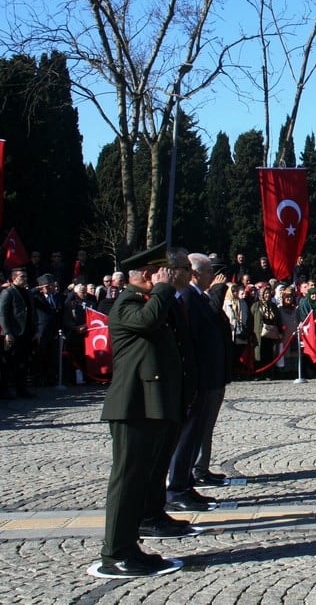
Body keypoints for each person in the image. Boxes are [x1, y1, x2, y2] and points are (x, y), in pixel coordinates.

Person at [95, 245, 194, 579]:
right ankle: (115, 552)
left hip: (147, 405)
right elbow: (148, 323)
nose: (164, 277)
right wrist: (164, 289)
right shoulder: (126, 303)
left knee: (140, 479)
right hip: (132, 405)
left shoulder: (149, 302)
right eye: (159, 272)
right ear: (147, 275)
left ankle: (129, 545)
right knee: (126, 480)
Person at [166, 253, 232, 513]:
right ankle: (177, 488)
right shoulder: (188, 298)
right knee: (187, 435)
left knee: (196, 433)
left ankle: (187, 482)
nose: (212, 278)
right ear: (195, 274)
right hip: (199, 378)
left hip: (209, 376)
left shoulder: (198, 297)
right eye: (208, 273)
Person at [0, 268, 38, 399]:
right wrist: (7, 332)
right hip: (14, 333)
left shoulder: (28, 293)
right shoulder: (8, 293)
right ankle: (4, 391)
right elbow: (3, 314)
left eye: (26, 276)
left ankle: (21, 389)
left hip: (26, 333)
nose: (25, 279)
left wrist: (35, 330)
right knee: (8, 363)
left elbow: (33, 312)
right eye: (22, 277)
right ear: (14, 278)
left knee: (23, 362)